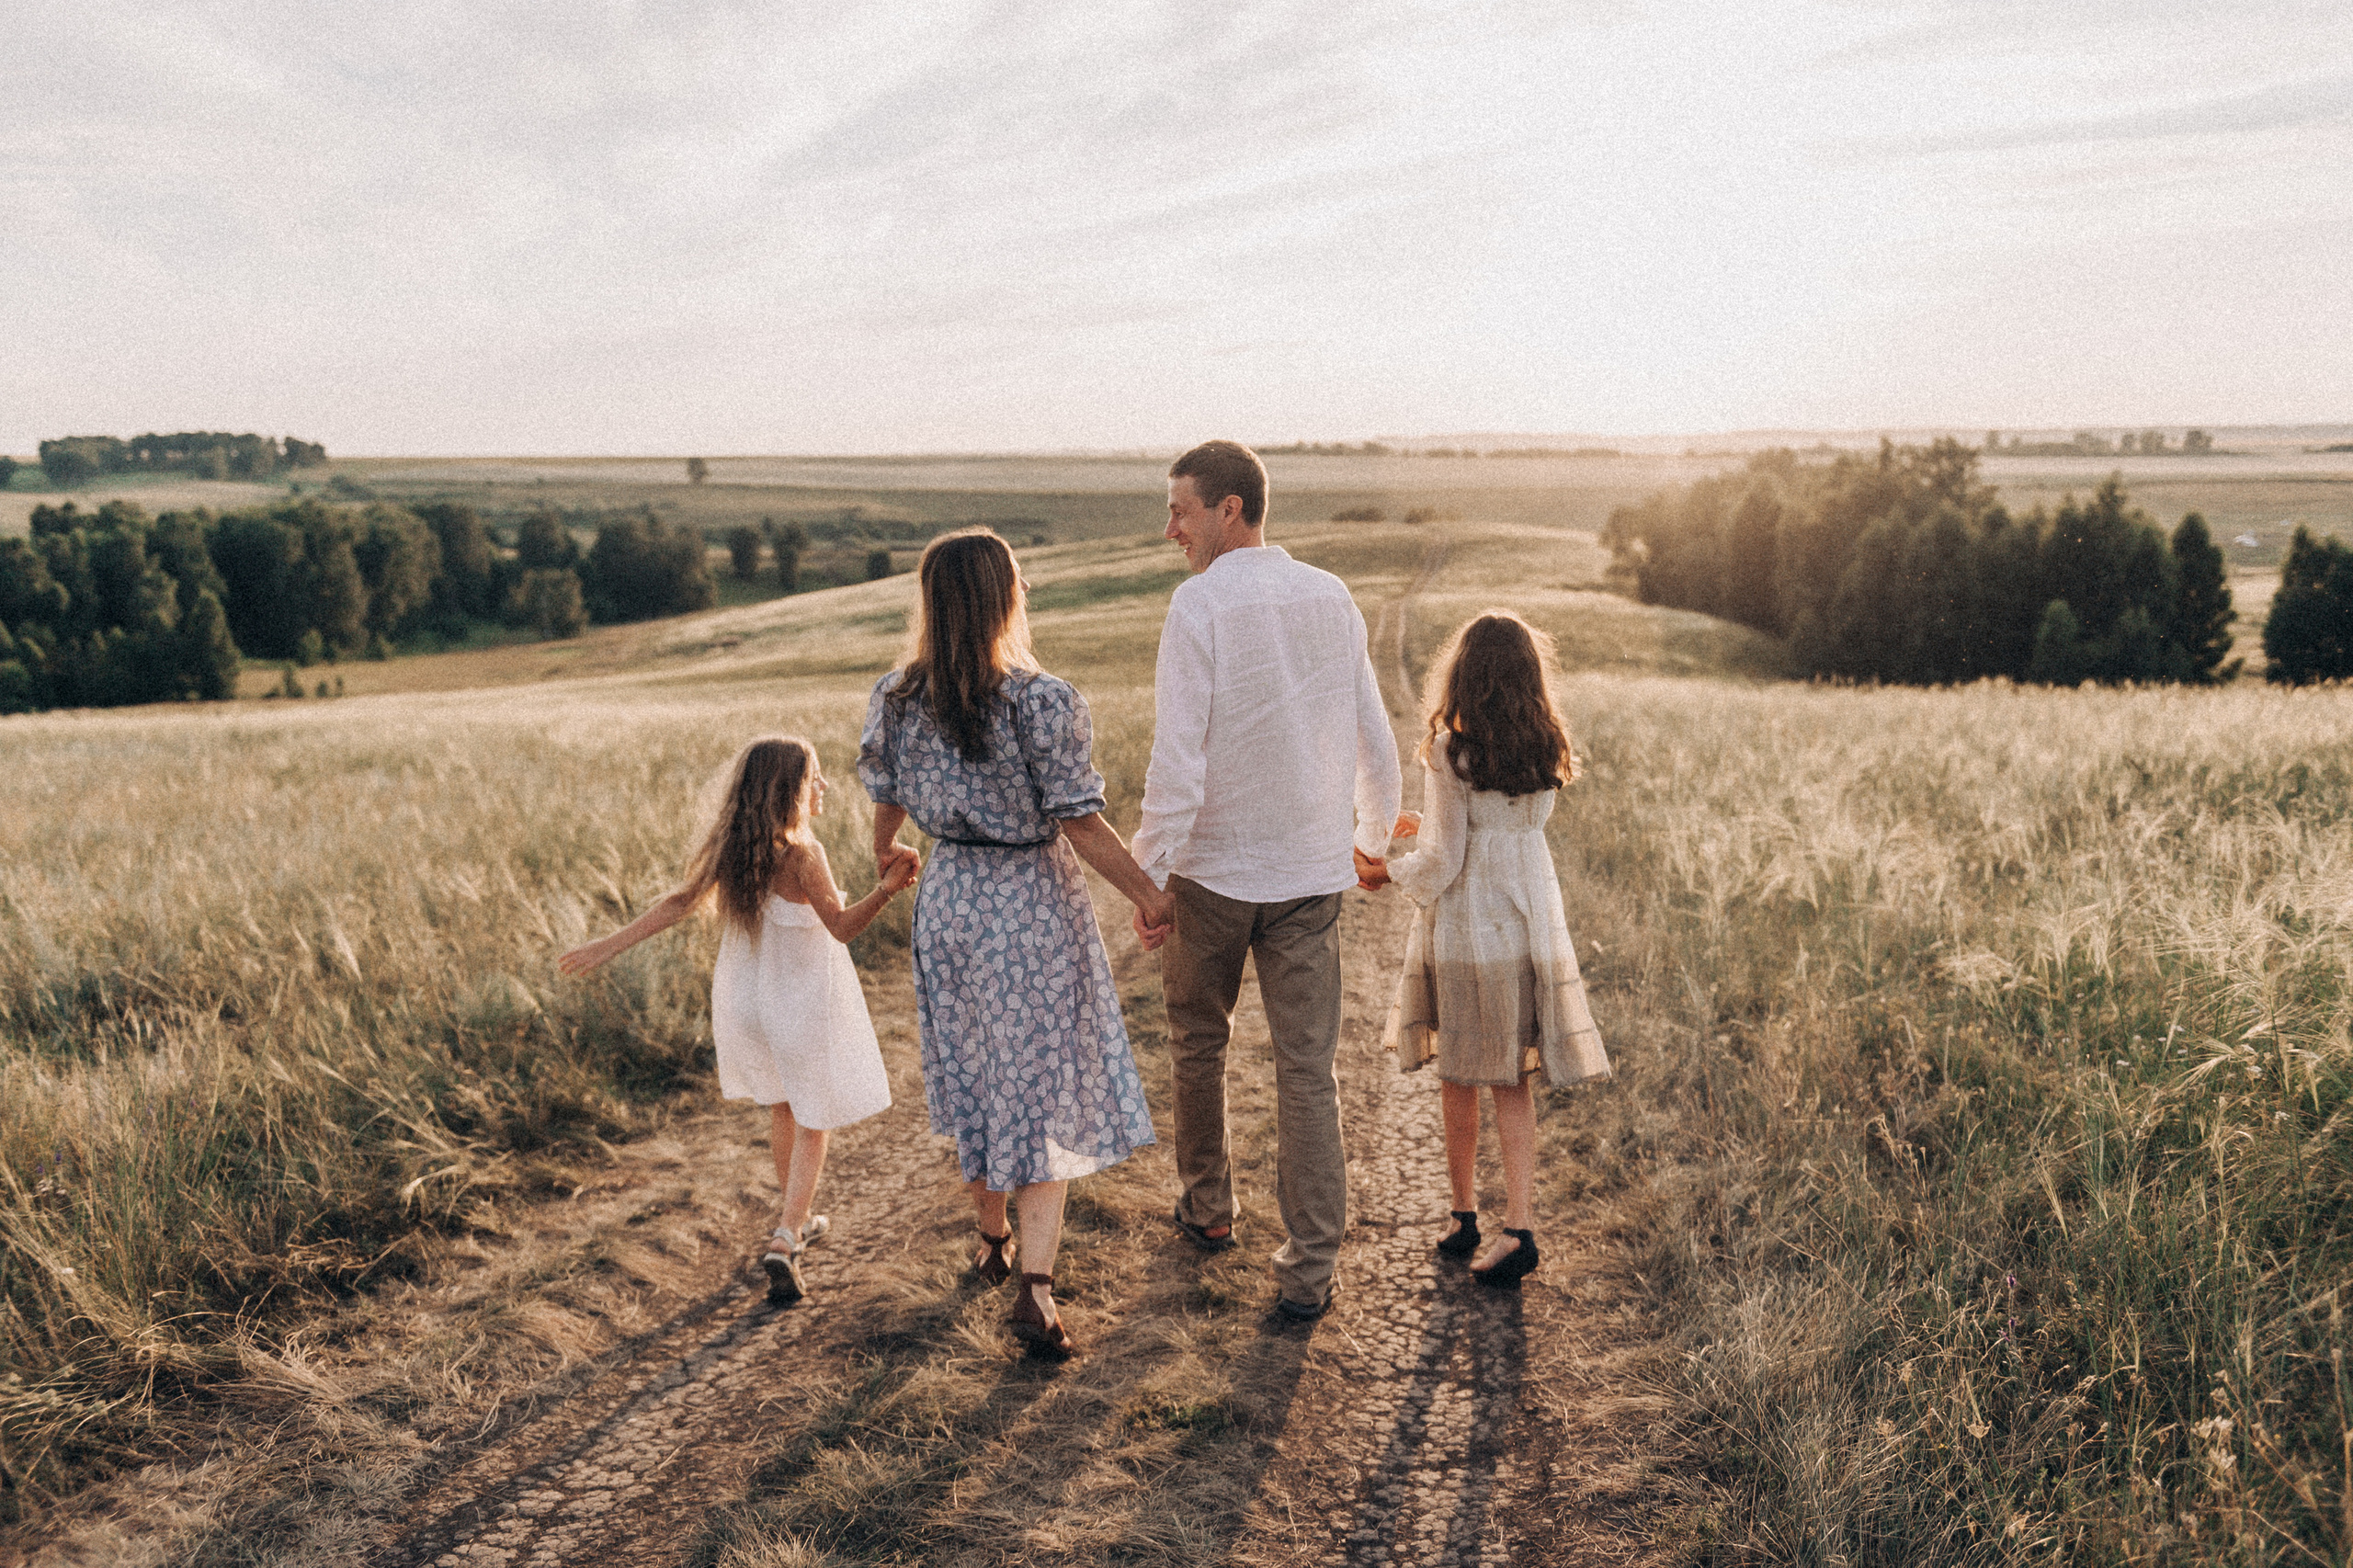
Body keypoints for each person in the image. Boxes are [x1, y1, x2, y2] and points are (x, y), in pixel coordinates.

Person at [858, 528, 1169, 1359]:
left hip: (951, 898)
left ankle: (991, 1239)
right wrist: (1147, 894)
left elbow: (883, 805)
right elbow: (1077, 818)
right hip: (1029, 897)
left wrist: (892, 852)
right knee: (1037, 1081)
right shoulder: (1039, 699)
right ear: (1007, 596)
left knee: (973, 1063)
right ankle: (1035, 1286)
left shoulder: (894, 696)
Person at [1131, 439, 1402, 1322]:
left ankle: (1209, 1213)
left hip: (1211, 869)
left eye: (1181, 509)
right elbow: (1374, 732)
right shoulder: (1332, 596)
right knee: (1306, 1070)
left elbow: (1178, 758)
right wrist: (1369, 840)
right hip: (1308, 875)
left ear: (1231, 510)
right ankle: (1311, 1267)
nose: (1170, 528)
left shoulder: (1199, 605)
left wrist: (1150, 876)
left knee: (1199, 1045)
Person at [558, 735, 913, 1304]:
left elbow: (678, 903)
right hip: (797, 1003)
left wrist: (608, 945)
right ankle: (787, 1233)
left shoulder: (736, 849)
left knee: (783, 1107)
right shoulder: (803, 854)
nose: (822, 786)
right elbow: (843, 927)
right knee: (814, 1117)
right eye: (814, 777)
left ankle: (795, 1216)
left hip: (749, 1003)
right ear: (790, 791)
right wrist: (887, 891)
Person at [1369, 611, 1610, 1287]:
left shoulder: (1451, 749)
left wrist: (1388, 868)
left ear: (1465, 673)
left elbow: (1444, 860)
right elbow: (1498, 826)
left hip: (1471, 929)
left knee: (1459, 1075)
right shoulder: (1544, 746)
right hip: (1531, 923)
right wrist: (1430, 822)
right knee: (1512, 1081)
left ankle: (1462, 1214)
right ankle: (1521, 1225)